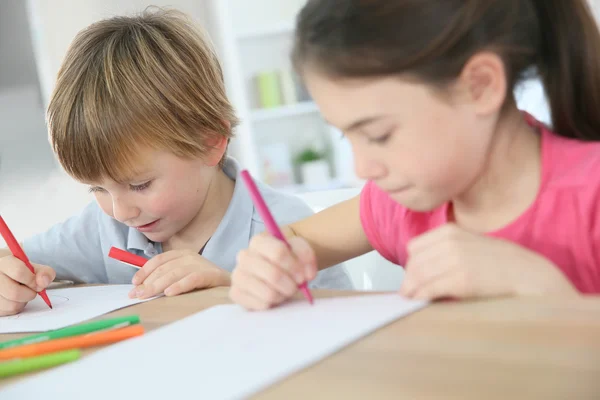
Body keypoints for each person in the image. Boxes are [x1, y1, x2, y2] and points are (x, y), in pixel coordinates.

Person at [230, 0, 600, 310]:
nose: (363, 168)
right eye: (348, 136)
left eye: (379, 134)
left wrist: (540, 288)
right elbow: (292, 238)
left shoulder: (590, 195)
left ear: (480, 86)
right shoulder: (402, 201)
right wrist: (270, 263)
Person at [0, 8, 351, 316]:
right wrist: (9, 280)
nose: (121, 211)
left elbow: (348, 336)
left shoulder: (288, 230)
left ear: (211, 142)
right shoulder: (104, 229)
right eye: (97, 188)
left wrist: (229, 290)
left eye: (139, 184)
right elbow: (15, 259)